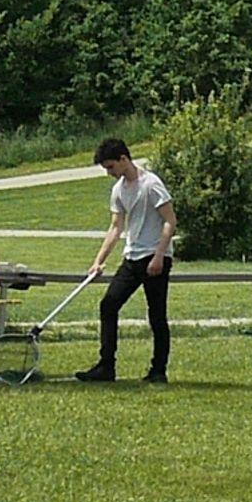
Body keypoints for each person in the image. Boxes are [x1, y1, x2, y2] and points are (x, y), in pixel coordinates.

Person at [76, 138, 176, 385]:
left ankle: (158, 370)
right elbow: (115, 227)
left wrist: (159, 256)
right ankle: (106, 367)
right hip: (132, 257)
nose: (109, 173)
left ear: (124, 159)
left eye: (111, 167)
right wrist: (98, 261)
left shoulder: (151, 185)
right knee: (108, 305)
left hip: (155, 258)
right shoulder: (119, 190)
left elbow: (170, 221)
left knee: (156, 315)